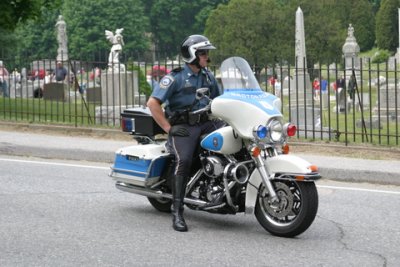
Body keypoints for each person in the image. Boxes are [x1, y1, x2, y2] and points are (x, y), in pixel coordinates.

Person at [147, 34, 223, 232]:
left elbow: (220, 100)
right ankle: (177, 212)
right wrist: (168, 128)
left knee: (234, 139)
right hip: (184, 127)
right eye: (204, 53)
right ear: (193, 54)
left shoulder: (208, 76)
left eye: (207, 53)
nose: (207, 56)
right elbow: (153, 103)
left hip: (206, 123)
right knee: (185, 160)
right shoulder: (175, 77)